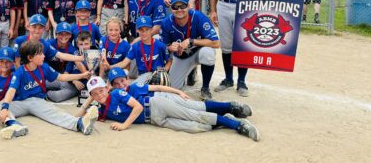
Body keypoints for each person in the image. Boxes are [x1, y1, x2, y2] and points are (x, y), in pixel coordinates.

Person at [79, 70, 259, 141]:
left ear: (107, 88)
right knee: (198, 126)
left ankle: (236, 121)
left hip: (157, 104)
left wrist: (178, 91)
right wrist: (91, 98)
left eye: (102, 91)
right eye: (96, 93)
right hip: (156, 120)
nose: (100, 95)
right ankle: (225, 119)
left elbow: (142, 103)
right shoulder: (102, 108)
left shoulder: (119, 92)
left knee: (197, 110)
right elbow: (82, 114)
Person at [0, 41, 98, 139]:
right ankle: (14, 125)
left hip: (37, 101)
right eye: (40, 54)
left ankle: (80, 124)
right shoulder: (20, 72)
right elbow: (11, 90)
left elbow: (61, 77)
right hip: (21, 102)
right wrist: (5, 108)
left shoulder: (44, 67)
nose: (44, 56)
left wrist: (82, 75)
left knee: (55, 113)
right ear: (30, 57)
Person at [160, 0, 220, 100]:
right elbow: (163, 46)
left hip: (198, 53)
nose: (179, 10)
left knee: (208, 53)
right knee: (174, 88)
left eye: (182, 6)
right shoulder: (166, 22)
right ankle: (191, 71)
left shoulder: (198, 17)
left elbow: (216, 43)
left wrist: (192, 41)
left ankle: (205, 88)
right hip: (181, 56)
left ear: (188, 6)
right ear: (171, 8)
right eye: (175, 7)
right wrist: (170, 47)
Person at [106, 16, 168, 84]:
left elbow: (169, 60)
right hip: (143, 76)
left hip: (158, 76)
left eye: (147, 29)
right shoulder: (135, 46)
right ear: (137, 30)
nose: (144, 33)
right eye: (141, 30)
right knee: (133, 88)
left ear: (151, 29)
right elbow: (124, 63)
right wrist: (110, 67)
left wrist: (164, 71)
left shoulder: (160, 45)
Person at [12, 14, 84, 67]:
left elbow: (61, 55)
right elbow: (16, 61)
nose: (37, 30)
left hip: (36, 73)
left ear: (44, 29)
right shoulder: (20, 40)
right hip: (21, 73)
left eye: (40, 28)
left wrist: (81, 57)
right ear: (28, 27)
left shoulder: (45, 44)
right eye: (34, 27)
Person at [46, 22, 87, 102]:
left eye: (66, 34)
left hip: (63, 76)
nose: (64, 36)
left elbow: (76, 64)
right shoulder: (49, 44)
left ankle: (46, 93)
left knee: (61, 92)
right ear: (56, 34)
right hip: (47, 74)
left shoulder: (73, 49)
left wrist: (86, 75)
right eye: (61, 34)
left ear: (70, 35)